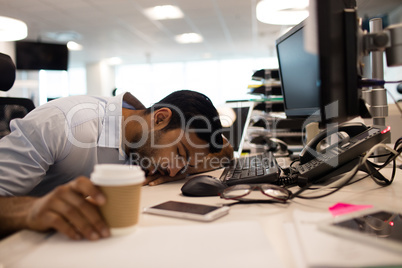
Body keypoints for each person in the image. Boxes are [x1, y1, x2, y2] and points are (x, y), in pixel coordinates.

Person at [0, 90, 233, 240]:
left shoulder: (140, 131)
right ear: (160, 118)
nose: (174, 170)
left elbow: (225, 152)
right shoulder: (62, 125)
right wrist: (31, 209)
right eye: (180, 154)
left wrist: (186, 167)